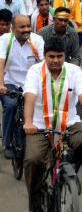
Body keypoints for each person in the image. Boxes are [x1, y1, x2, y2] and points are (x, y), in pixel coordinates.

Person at [23, 37, 82, 212]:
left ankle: (71, 172)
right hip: (40, 125)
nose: (55, 60)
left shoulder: (74, 71)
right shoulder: (35, 71)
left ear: (64, 56)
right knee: (33, 160)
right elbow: (30, 97)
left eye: (59, 56)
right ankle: (36, 208)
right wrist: (27, 122)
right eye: (51, 57)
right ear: (44, 56)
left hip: (69, 123)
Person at [0, 15, 44, 159]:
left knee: (36, 110)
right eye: (22, 27)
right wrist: (1, 84)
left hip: (31, 83)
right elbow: (0, 63)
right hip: (10, 82)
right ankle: (7, 143)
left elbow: (45, 64)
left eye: (28, 26)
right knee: (11, 106)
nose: (26, 30)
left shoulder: (37, 40)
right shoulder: (5, 40)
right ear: (13, 28)